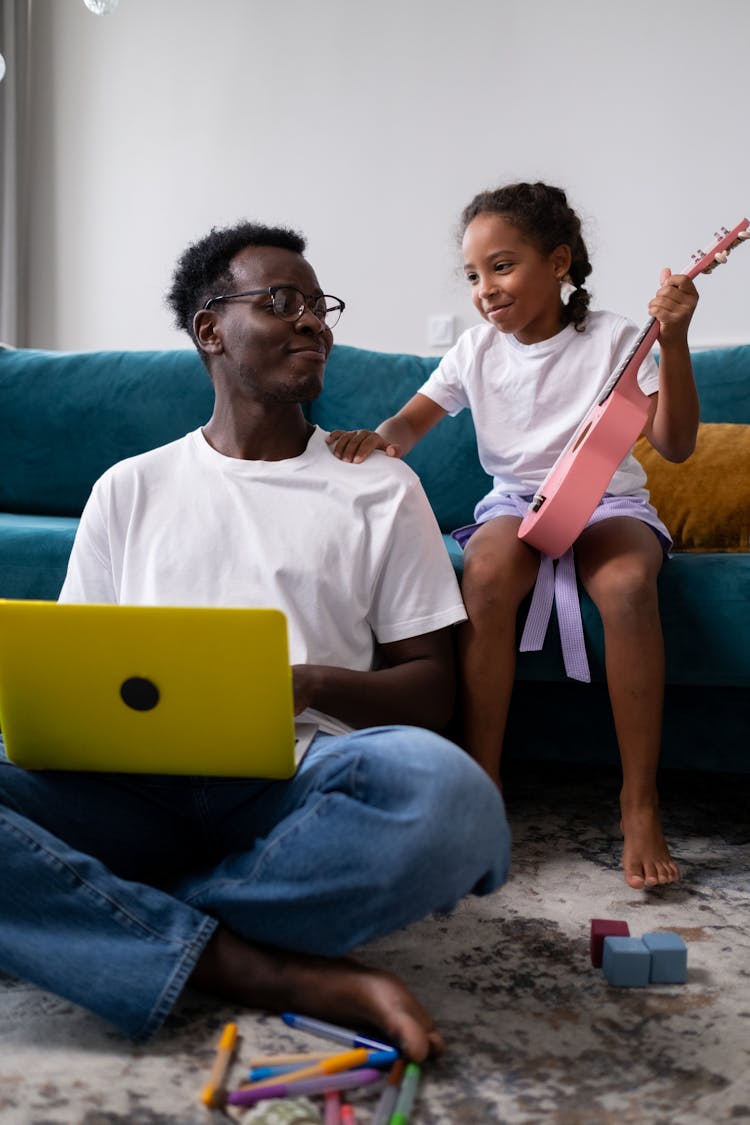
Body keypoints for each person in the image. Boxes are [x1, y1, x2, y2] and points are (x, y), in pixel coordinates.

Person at [0, 221, 510, 1059]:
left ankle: (113, 916)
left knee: (455, 803)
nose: (313, 321)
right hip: (127, 787)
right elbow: (75, 673)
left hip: (299, 783)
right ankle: (262, 966)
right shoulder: (128, 488)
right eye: (282, 302)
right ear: (210, 329)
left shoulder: (380, 485)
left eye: (319, 306)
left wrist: (311, 684)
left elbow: (432, 690)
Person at [327, 182, 700, 891]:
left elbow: (676, 445)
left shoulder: (619, 339)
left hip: (606, 504)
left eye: (501, 266)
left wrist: (674, 340)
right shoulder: (475, 351)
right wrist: (374, 440)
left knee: (624, 585)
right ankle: (482, 783)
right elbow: (409, 423)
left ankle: (640, 801)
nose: (485, 289)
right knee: (487, 573)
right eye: (473, 275)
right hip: (516, 504)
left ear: (558, 262)